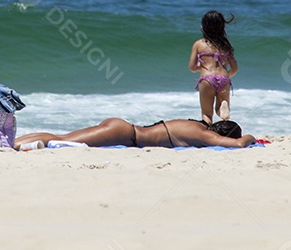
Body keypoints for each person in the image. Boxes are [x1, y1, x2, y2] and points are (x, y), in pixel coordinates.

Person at [15, 117, 257, 150]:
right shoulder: (204, 135)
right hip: (124, 135)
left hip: (123, 127)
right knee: (62, 140)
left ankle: (11, 143)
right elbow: (237, 145)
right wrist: (249, 138)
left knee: (62, 137)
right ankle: (9, 145)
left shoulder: (195, 124)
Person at [188, 10, 238, 125]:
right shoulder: (225, 45)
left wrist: (201, 67)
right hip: (224, 79)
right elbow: (234, 68)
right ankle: (223, 106)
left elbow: (192, 67)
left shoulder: (199, 44)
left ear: (204, 26)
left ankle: (209, 135)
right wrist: (225, 76)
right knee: (220, 107)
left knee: (207, 113)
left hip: (207, 79)